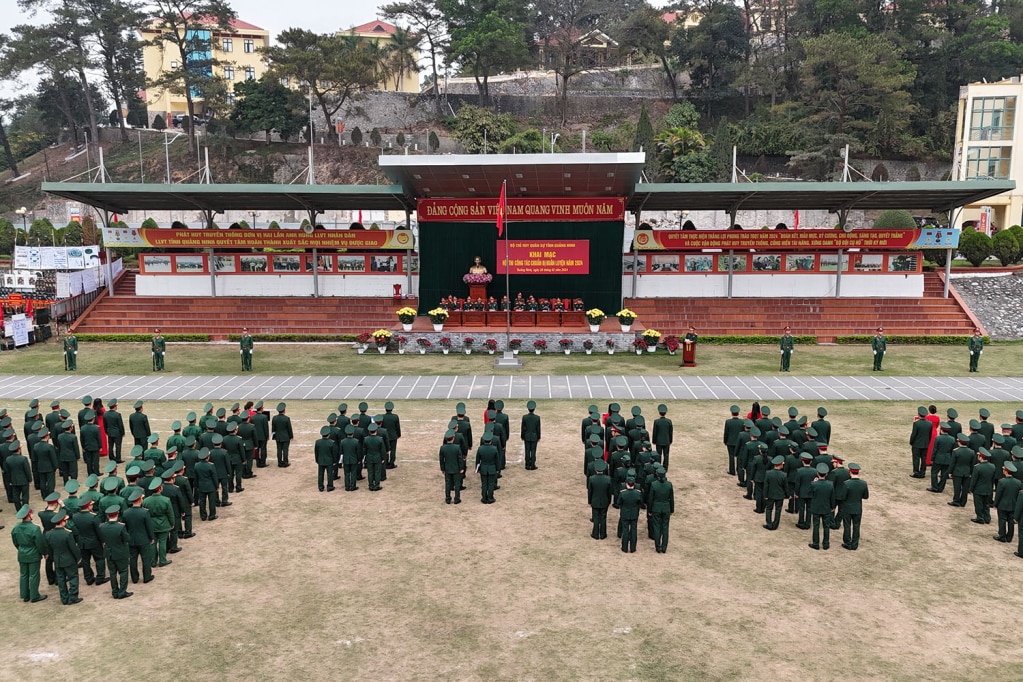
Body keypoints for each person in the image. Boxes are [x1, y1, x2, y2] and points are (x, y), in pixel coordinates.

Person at [11, 504, 48, 603]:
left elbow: (15, 542)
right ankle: (34, 595)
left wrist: (21, 549)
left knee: (23, 575)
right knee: (34, 575)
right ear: (28, 516)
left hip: (22, 554)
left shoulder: (15, 528)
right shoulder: (35, 528)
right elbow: (40, 543)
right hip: (33, 555)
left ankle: (25, 595)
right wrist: (44, 553)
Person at [45, 509, 82, 604]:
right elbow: (73, 548)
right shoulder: (67, 534)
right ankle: (73, 597)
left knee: (61, 579)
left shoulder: (48, 534)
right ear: (62, 522)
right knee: (73, 578)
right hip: (69, 560)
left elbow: (49, 549)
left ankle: (64, 598)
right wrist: (78, 558)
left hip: (57, 560)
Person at [98, 505, 133, 599]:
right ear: (117, 514)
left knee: (112, 573)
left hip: (109, 553)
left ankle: (115, 591)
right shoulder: (121, 527)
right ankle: (122, 592)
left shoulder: (102, 526)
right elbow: (127, 538)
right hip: (120, 552)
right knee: (123, 572)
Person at [122, 489, 154, 584]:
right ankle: (147, 576)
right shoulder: (145, 512)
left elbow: (125, 527)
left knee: (133, 559)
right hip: (143, 539)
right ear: (140, 500)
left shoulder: (126, 513)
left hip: (131, 539)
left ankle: (135, 578)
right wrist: (151, 537)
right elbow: (149, 527)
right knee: (145, 559)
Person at [838, 463, 869, 550]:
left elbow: (842, 497)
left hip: (847, 508)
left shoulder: (846, 484)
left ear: (850, 472)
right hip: (858, 508)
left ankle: (847, 542)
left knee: (847, 525)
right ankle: (854, 544)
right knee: (856, 526)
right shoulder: (863, 483)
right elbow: (866, 496)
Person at [647, 466, 675, 552]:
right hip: (666, 508)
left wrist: (650, 510)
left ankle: (657, 546)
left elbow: (650, 499)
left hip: (656, 508)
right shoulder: (669, 485)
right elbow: (671, 498)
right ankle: (664, 547)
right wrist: (672, 509)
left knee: (657, 527)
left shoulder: (654, 485)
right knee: (665, 528)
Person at [808, 463, 835, 550]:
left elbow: (809, 493)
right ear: (826, 474)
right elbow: (832, 497)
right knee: (826, 526)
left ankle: (816, 543)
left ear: (817, 473)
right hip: (826, 508)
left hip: (816, 508)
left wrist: (814, 482)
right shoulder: (830, 485)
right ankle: (826, 544)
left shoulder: (813, 484)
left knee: (816, 526)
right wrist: (833, 507)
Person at [994, 462, 1022, 543]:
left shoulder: (1002, 482)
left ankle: (1002, 536)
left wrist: (995, 504)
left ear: (1005, 471)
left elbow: (998, 494)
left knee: (1002, 520)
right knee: (1010, 521)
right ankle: (1009, 537)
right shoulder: (1018, 482)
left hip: (1002, 505)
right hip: (1013, 505)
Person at [587, 459, 612, 538]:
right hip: (605, 501)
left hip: (595, 500)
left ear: (595, 469)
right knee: (603, 518)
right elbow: (609, 492)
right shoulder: (608, 479)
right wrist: (609, 501)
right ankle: (603, 534)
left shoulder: (592, 479)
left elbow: (590, 491)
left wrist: (590, 501)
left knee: (596, 517)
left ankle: (595, 534)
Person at [970, 448, 996, 525]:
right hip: (988, 488)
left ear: (980, 457)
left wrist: (971, 488)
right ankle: (987, 518)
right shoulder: (992, 466)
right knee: (986, 504)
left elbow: (974, 480)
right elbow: (992, 479)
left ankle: (980, 517)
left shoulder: (977, 467)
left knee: (978, 504)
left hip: (978, 489)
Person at [618, 476, 643, 553]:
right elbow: (641, 503)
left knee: (625, 531)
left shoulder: (623, 493)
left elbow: (619, 503)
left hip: (625, 513)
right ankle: (633, 548)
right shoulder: (638, 493)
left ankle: (624, 548)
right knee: (633, 530)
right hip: (634, 514)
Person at [439, 429, 463, 504]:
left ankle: (448, 498)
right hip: (456, 468)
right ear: (453, 438)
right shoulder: (457, 447)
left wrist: (442, 469)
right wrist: (461, 468)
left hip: (447, 468)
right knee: (457, 484)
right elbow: (460, 459)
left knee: (448, 484)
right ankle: (457, 498)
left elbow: (441, 459)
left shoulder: (443, 448)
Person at [763, 455, 787, 530]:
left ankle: (769, 524)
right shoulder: (784, 475)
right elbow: (785, 487)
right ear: (780, 464)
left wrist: (765, 495)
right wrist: (787, 495)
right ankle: (775, 524)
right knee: (778, 510)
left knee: (769, 509)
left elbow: (766, 485)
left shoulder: (768, 473)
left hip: (770, 494)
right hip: (780, 495)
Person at [475, 430, 499, 503]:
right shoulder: (494, 449)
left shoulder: (480, 448)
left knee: (484, 484)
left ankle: (484, 498)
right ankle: (490, 498)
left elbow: (477, 460)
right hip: (492, 468)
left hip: (483, 468)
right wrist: (497, 469)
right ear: (491, 440)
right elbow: (497, 460)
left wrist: (477, 469)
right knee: (491, 484)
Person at [195, 449, 218, 521]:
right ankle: (212, 515)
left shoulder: (196, 465)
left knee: (202, 501)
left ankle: (203, 516)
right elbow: (214, 477)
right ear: (207, 457)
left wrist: (197, 486)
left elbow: (196, 477)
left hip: (201, 486)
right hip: (211, 486)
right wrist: (216, 486)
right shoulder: (211, 465)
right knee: (211, 501)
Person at [909, 406, 932, 479]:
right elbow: (930, 435)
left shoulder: (916, 424)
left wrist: (911, 442)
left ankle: (916, 472)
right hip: (925, 444)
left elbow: (914, 434)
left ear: (918, 414)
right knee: (924, 458)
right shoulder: (930, 423)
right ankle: (922, 472)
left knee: (916, 458)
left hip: (917, 444)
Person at [520, 400, 541, 470]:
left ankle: (527, 465)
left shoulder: (524, 417)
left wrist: (522, 436)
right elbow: (538, 428)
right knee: (533, 451)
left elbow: (523, 428)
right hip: (534, 436)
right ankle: (532, 465)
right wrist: (538, 437)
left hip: (527, 436)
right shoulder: (537, 418)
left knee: (527, 450)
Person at [652, 404, 673, 470]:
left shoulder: (656, 422)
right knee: (666, 455)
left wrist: (654, 441)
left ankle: (658, 466)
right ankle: (665, 467)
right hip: (666, 441)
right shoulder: (669, 421)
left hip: (659, 441)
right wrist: (670, 440)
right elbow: (670, 432)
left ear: (659, 412)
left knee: (658, 455)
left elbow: (655, 432)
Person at [271, 403, 293, 467]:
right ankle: (285, 462)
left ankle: (280, 462)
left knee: (279, 450)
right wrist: (291, 436)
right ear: (284, 410)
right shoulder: (286, 418)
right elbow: (289, 428)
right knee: (285, 450)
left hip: (278, 437)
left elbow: (273, 429)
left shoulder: (274, 418)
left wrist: (274, 436)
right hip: (285, 437)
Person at [381, 401, 401, 469]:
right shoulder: (395, 417)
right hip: (393, 436)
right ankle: (391, 463)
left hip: (385, 436)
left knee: (385, 450)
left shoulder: (382, 417)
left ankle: (386, 463)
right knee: (393, 450)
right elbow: (397, 427)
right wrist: (398, 434)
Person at [103, 399, 124, 463]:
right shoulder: (117, 415)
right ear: (115, 406)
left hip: (110, 432)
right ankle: (118, 458)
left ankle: (111, 457)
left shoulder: (105, 414)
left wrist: (107, 431)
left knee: (110, 445)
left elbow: (105, 424)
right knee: (118, 446)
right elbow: (120, 425)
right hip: (117, 433)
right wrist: (122, 432)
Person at [315, 426, 335, 492]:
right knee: (330, 474)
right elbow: (333, 453)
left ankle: (320, 487)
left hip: (320, 460)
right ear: (329, 434)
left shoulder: (317, 442)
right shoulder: (331, 442)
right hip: (329, 461)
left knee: (320, 474)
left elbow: (316, 452)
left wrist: (317, 460)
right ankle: (330, 486)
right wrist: (334, 461)